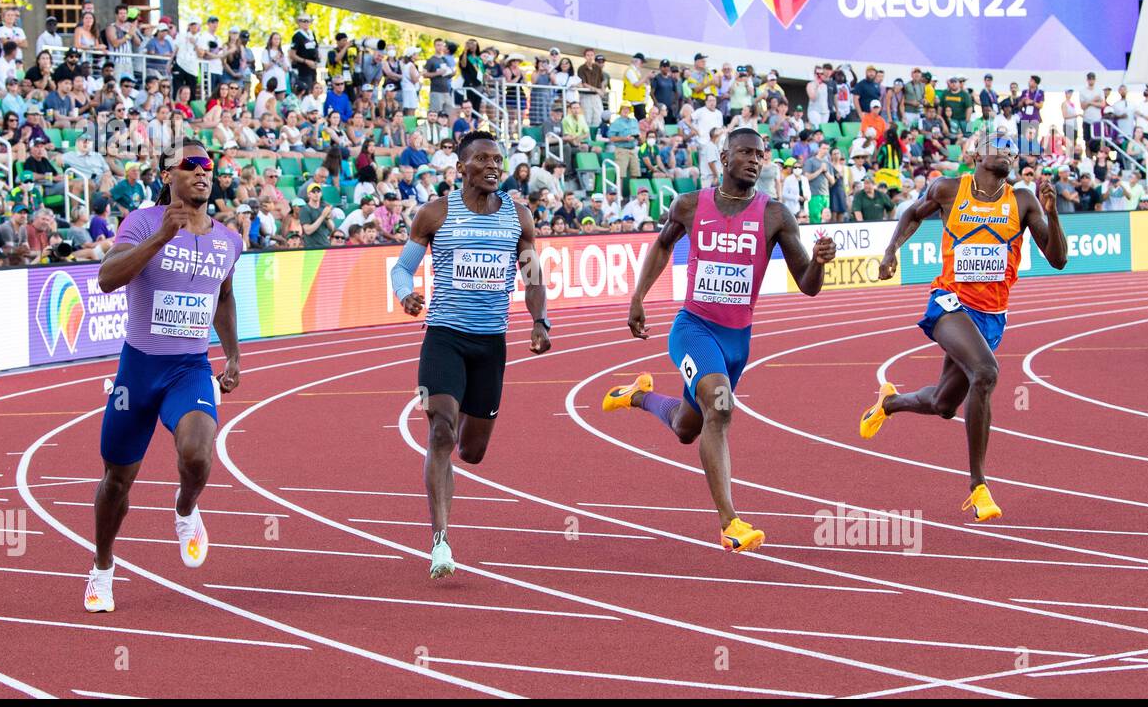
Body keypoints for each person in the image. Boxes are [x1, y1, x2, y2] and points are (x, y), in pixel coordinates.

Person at [602, 129, 836, 552]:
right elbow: (660, 246)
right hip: (694, 327)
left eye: (760, 155)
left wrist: (818, 264)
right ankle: (730, 522)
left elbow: (808, 285)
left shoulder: (776, 215)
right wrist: (638, 298)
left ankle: (639, 397)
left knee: (687, 427)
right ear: (724, 156)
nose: (754, 160)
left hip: (737, 341)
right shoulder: (690, 205)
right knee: (721, 405)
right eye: (746, 152)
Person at [859, 136, 1068, 522]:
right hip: (949, 302)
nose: (1007, 152)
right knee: (986, 373)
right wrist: (891, 252)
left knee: (943, 404)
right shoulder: (948, 189)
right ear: (976, 153)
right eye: (998, 145)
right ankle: (978, 486)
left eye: (1012, 149)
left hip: (992, 315)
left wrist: (1052, 215)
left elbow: (1057, 260)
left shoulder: (1022, 200)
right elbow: (912, 214)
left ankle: (889, 402)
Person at [85, 142, 244, 613]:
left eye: (208, 167)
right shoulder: (140, 222)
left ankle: (185, 509)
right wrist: (160, 237)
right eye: (190, 165)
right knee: (117, 479)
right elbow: (107, 278)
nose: (202, 172)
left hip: (188, 368)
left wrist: (233, 356)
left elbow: (225, 297)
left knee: (198, 454)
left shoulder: (228, 240)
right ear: (167, 174)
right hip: (138, 370)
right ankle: (103, 568)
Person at [389, 130, 551, 578]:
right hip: (443, 337)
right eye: (483, 159)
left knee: (472, 450)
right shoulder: (436, 213)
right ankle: (440, 541)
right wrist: (407, 294)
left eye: (497, 159)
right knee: (441, 431)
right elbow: (402, 267)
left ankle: (455, 441)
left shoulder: (518, 217)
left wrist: (540, 321)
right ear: (461, 168)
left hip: (490, 346)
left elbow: (533, 275)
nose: (494, 166)